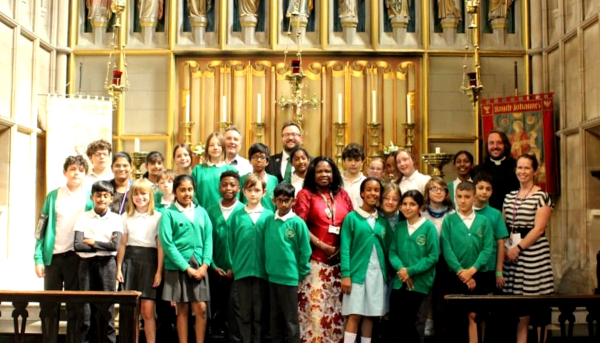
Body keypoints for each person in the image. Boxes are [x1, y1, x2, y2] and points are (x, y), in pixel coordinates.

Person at [293, 157, 354, 343]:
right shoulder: (305, 194)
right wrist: (322, 245)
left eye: (327, 171)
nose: (324, 175)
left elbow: (351, 224)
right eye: (319, 171)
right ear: (312, 174)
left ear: (334, 173)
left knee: (336, 315)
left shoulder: (342, 195)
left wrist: (342, 247)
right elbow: (300, 226)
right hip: (315, 263)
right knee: (316, 314)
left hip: (339, 266)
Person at [34, 155, 94, 343]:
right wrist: (38, 257)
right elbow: (40, 228)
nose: (76, 173)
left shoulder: (89, 197)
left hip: (76, 257)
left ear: (85, 174)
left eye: (80, 170)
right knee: (49, 306)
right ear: (64, 172)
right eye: (72, 169)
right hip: (54, 256)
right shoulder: (53, 196)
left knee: (75, 306)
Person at [502, 154, 554, 343]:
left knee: (537, 309)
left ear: (534, 171)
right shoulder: (509, 196)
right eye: (519, 167)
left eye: (526, 168)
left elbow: (539, 229)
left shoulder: (541, 196)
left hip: (533, 256)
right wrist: (508, 250)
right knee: (519, 310)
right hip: (512, 256)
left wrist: (519, 248)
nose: (522, 171)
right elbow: (504, 226)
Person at [159, 174, 212, 343]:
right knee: (182, 308)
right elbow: (168, 244)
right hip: (178, 266)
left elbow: (208, 239)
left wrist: (205, 264)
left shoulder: (201, 212)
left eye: (190, 189)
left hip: (199, 265)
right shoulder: (168, 214)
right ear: (175, 191)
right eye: (182, 190)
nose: (186, 193)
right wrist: (186, 267)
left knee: (201, 307)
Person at [441, 181, 494, 343]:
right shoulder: (449, 221)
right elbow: (447, 248)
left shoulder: (483, 221)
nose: (463, 200)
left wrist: (472, 271)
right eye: (459, 196)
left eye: (467, 197)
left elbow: (487, 249)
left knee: (475, 316)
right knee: (457, 318)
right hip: (455, 276)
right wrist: (461, 272)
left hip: (479, 276)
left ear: (474, 197)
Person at [340, 177, 390, 343]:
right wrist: (346, 275)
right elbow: (345, 248)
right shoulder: (352, 218)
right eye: (369, 189)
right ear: (362, 193)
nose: (372, 193)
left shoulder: (383, 221)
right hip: (356, 274)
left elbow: (388, 248)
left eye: (376, 190)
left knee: (370, 315)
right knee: (355, 314)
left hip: (377, 276)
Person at [74, 180, 123, 343]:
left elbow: (114, 247)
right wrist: (104, 245)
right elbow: (78, 246)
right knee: (86, 311)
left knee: (107, 310)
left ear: (111, 198)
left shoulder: (116, 219)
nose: (101, 199)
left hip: (107, 265)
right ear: (91, 197)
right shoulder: (83, 217)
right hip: (86, 266)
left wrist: (93, 242)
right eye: (98, 195)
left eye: (105, 196)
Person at [116, 179, 163, 343]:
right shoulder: (125, 216)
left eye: (143, 193)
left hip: (149, 262)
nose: (139, 197)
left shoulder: (158, 216)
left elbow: (160, 246)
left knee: (148, 310)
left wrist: (159, 271)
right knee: (132, 310)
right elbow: (122, 244)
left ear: (150, 196)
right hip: (130, 261)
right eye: (135, 194)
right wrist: (119, 268)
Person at [389, 190, 439, 343]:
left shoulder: (428, 227)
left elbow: (432, 256)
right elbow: (392, 252)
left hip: (419, 283)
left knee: (411, 323)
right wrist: (402, 270)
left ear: (420, 207)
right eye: (404, 204)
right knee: (397, 323)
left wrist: (410, 271)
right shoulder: (399, 227)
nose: (407, 207)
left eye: (412, 204)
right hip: (400, 282)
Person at [228, 173, 274, 343]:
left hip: (263, 271)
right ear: (244, 192)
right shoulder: (236, 216)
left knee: (260, 315)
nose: (253, 194)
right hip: (242, 271)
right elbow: (230, 243)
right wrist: (235, 265)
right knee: (244, 314)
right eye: (249, 190)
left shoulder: (269, 216)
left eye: (257, 190)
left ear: (264, 192)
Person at [265, 182, 312, 343]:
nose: (283, 204)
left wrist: (300, 274)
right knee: (274, 320)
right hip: (272, 277)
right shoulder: (269, 221)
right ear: (274, 201)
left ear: (293, 201)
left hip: (290, 278)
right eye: (280, 200)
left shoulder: (297, 223)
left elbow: (305, 251)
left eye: (287, 200)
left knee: (291, 320)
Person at [205, 170, 244, 342]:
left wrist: (234, 268)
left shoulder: (244, 211)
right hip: (214, 270)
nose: (228, 188)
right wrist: (213, 266)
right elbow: (206, 241)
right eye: (224, 185)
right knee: (214, 311)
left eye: (232, 185)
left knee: (235, 312)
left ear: (239, 188)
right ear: (219, 187)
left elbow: (246, 246)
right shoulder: (210, 212)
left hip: (238, 271)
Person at [472, 172, 509, 343]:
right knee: (471, 313)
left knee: (486, 313)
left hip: (489, 268)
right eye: (480, 188)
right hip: (469, 268)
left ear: (492, 192)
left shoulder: (494, 214)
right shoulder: (466, 211)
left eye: (488, 189)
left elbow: (501, 243)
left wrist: (499, 271)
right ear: (474, 189)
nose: (484, 192)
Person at [418, 177, 454, 339]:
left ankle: (441, 335)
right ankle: (426, 329)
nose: (438, 192)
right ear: (427, 192)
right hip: (425, 262)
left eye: (442, 189)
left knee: (441, 303)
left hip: (444, 262)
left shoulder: (452, 214)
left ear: (447, 193)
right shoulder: (421, 213)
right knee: (424, 300)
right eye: (434, 189)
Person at [472, 130, 520, 211]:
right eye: (491, 143)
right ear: (487, 146)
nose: (495, 146)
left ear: (505, 145)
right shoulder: (478, 170)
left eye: (499, 143)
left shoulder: (517, 167)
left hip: (513, 215)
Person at [191, 132, 237, 208]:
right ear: (207, 149)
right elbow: (192, 193)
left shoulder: (231, 170)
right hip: (202, 213)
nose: (215, 148)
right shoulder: (198, 170)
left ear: (223, 147)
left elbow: (236, 195)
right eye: (211, 145)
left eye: (219, 145)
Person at [240, 143, 279, 212]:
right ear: (250, 160)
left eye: (262, 157)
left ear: (267, 161)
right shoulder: (243, 179)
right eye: (255, 157)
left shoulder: (274, 180)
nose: (259, 160)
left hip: (269, 219)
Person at [341, 143, 367, 209]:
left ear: (362, 162)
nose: (353, 164)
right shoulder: (337, 180)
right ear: (343, 161)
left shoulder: (366, 182)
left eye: (357, 160)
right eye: (349, 160)